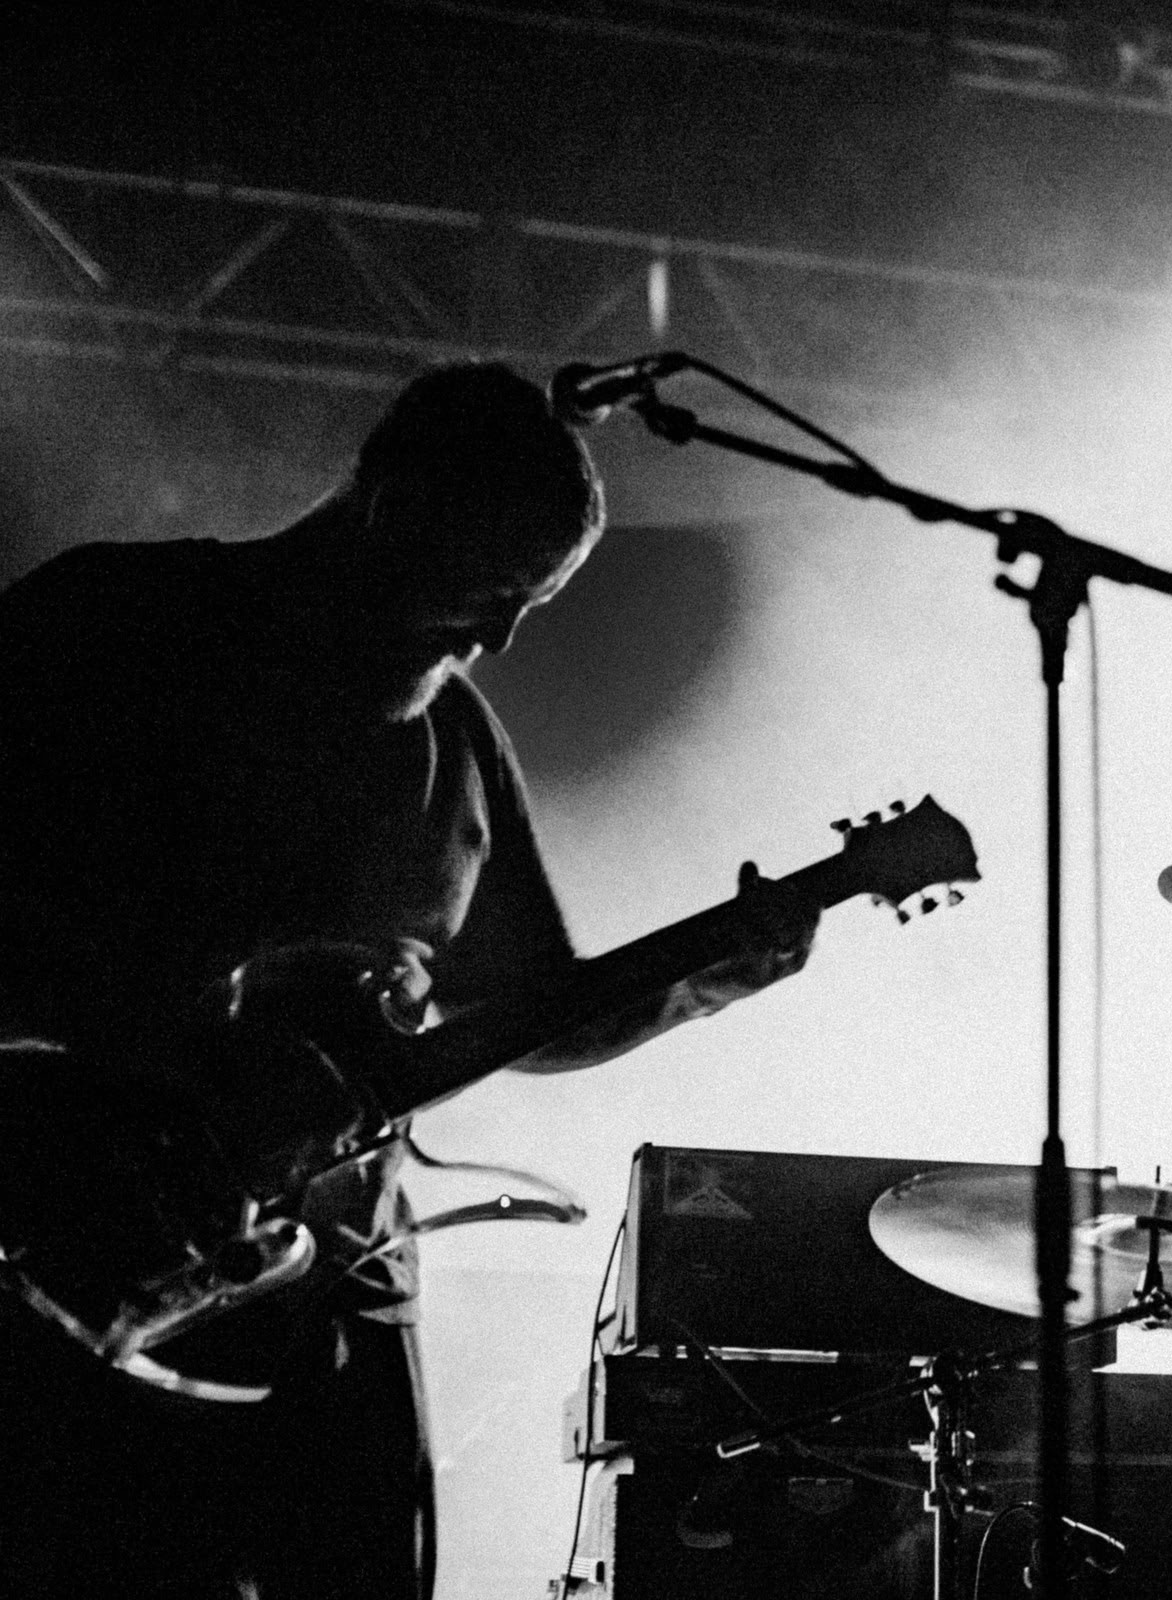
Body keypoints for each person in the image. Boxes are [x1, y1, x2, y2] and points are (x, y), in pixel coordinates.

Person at [0, 364, 816, 1597]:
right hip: (76, 1244)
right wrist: (191, 1026)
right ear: (393, 505)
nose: (498, 637)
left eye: (530, 606)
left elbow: (530, 1012)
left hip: (336, 1284)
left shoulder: (461, 746)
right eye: (490, 589)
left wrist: (708, 977)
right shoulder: (123, 622)